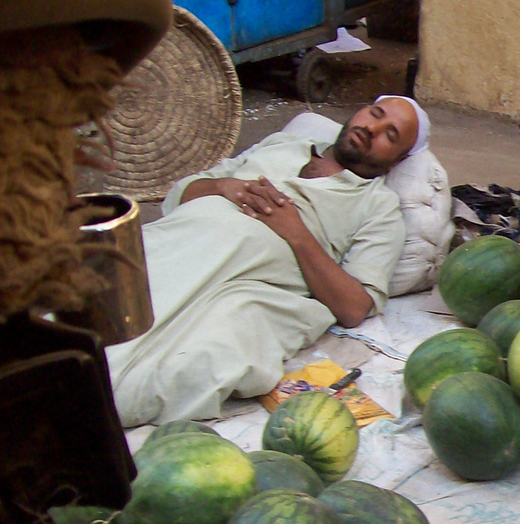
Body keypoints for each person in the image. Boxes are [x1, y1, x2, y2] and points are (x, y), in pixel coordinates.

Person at [107, 95, 431, 426]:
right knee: (95, 292)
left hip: (243, 286)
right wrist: (223, 186)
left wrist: (296, 233)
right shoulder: (283, 145)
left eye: (390, 135)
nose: (372, 128)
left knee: (171, 369)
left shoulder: (378, 205)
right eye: (374, 113)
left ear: (396, 161)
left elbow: (354, 307)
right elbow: (180, 195)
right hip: (178, 241)